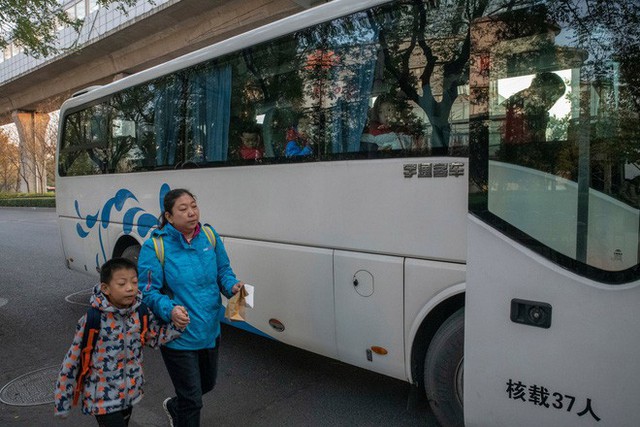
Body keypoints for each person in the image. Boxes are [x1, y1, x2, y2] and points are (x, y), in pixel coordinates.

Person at [137, 188, 245, 427]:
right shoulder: (155, 247)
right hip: (179, 336)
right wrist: (170, 310)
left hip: (209, 330)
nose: (191, 213)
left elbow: (223, 272)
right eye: (183, 209)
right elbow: (148, 292)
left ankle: (175, 406)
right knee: (193, 400)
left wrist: (233, 287)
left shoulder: (209, 235)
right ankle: (183, 409)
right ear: (169, 216)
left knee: (207, 385)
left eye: (193, 206)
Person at [54, 257, 184, 426]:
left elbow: (154, 338)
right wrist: (63, 399)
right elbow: (73, 360)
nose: (130, 288)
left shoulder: (141, 312)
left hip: (130, 393)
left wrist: (178, 326)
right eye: (122, 284)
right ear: (105, 288)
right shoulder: (93, 319)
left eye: (134, 282)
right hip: (102, 398)